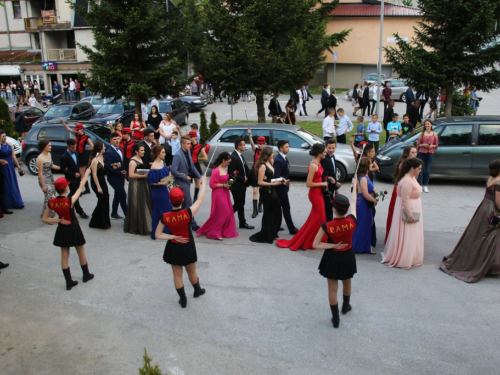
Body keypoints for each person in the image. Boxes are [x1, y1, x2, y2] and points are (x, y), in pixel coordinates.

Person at [440, 159, 500, 282]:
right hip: (493, 210)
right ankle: (483, 264)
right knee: (488, 237)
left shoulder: (490, 179)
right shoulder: (499, 181)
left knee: (478, 234)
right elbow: (498, 202)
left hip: (484, 207)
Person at [155, 181, 208, 308]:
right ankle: (197, 290)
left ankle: (183, 300)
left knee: (177, 275)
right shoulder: (188, 213)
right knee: (192, 272)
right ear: (183, 199)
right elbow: (201, 197)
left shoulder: (165, 217)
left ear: (170, 200)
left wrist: (173, 236)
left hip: (174, 247)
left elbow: (158, 235)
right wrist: (203, 182)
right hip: (188, 245)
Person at [313, 181, 358, 329]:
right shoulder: (352, 220)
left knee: (332, 289)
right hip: (348, 255)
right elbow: (354, 203)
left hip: (333, 256)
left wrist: (333, 245)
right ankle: (346, 306)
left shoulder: (327, 226)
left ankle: (336, 318)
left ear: (334, 209)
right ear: (345, 210)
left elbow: (316, 244)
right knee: (347, 281)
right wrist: (354, 185)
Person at [41, 167, 95, 290]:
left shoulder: (52, 202)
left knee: (64, 255)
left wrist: (59, 220)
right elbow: (81, 187)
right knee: (80, 251)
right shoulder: (69, 200)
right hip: (73, 227)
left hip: (62, 228)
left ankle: (68, 281)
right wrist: (86, 173)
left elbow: (45, 218)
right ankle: (86, 274)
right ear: (66, 188)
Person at [277, 143, 327, 251]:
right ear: (319, 153)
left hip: (319, 193)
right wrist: (322, 184)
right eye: (324, 151)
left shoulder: (319, 163)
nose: (325, 153)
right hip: (315, 194)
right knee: (320, 217)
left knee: (316, 217)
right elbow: (308, 184)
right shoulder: (313, 165)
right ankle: (310, 240)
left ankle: (315, 239)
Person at [382, 158, 424, 269]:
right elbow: (405, 200)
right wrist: (410, 215)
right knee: (407, 234)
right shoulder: (407, 182)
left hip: (413, 208)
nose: (420, 170)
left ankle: (410, 256)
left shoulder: (412, 178)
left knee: (411, 234)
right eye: (419, 169)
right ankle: (403, 257)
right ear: (412, 169)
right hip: (408, 210)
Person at [197, 152, 238, 240]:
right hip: (218, 193)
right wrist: (223, 185)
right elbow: (212, 184)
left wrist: (229, 182)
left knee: (225, 212)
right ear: (223, 160)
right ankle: (214, 232)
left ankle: (219, 230)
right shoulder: (216, 170)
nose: (228, 164)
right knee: (225, 212)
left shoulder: (223, 168)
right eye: (228, 162)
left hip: (225, 192)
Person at [249, 147, 283, 243]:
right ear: (267, 154)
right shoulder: (262, 166)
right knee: (269, 213)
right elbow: (260, 182)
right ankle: (267, 233)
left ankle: (273, 231)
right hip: (266, 192)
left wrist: (280, 179)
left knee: (276, 211)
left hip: (272, 190)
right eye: (272, 153)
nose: (273, 154)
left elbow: (270, 177)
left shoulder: (270, 162)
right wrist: (273, 184)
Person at [385, 145, 418, 243]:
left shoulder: (412, 163)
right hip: (402, 189)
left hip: (406, 189)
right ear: (407, 153)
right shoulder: (405, 164)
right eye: (412, 152)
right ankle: (396, 238)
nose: (415, 154)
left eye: (416, 152)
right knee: (399, 211)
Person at [171, 135, 202, 231]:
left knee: (184, 205)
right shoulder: (178, 155)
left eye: (190, 144)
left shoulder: (188, 152)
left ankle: (182, 223)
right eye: (188, 144)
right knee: (188, 204)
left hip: (187, 182)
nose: (190, 145)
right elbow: (173, 170)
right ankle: (193, 224)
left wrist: (200, 177)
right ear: (182, 144)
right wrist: (184, 177)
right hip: (181, 182)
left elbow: (192, 166)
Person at [124, 144, 153, 235]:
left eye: (144, 150)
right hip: (136, 184)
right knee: (137, 203)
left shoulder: (141, 159)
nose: (143, 152)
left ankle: (146, 223)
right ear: (136, 151)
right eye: (141, 150)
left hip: (142, 182)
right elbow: (130, 175)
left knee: (143, 202)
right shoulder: (132, 161)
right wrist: (142, 176)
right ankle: (136, 226)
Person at [352, 158, 377, 254]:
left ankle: (365, 246)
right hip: (363, 204)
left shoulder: (366, 176)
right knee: (361, 225)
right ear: (366, 166)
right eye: (370, 164)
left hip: (366, 204)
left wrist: (375, 191)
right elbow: (365, 194)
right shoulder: (362, 178)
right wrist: (374, 200)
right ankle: (356, 246)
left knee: (367, 225)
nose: (372, 165)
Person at [61, 120, 94, 195]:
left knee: (82, 173)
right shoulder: (76, 134)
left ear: (82, 129)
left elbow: (92, 147)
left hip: (82, 155)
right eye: (76, 130)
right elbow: (68, 129)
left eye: (78, 130)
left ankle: (81, 189)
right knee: (79, 172)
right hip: (76, 154)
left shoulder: (86, 137)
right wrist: (63, 122)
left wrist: (85, 149)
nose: (77, 131)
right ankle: (86, 188)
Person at [59, 139, 89, 219]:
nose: (74, 149)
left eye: (75, 147)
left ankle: (63, 202)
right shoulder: (64, 157)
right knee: (75, 194)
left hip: (77, 177)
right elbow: (63, 170)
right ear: (68, 147)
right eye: (72, 148)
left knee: (74, 194)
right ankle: (80, 212)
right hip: (70, 178)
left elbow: (77, 165)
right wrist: (73, 174)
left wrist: (80, 174)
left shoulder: (76, 153)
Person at [147, 145, 173, 240]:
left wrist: (170, 178)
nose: (165, 154)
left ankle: (164, 231)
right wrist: (163, 182)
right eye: (163, 152)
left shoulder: (162, 162)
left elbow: (167, 176)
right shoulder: (154, 166)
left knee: (165, 211)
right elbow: (151, 181)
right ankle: (159, 232)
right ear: (158, 154)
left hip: (165, 190)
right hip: (158, 192)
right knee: (161, 212)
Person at [229, 138, 254, 230]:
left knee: (240, 204)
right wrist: (241, 178)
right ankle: (224, 217)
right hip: (237, 186)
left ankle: (242, 222)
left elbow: (243, 169)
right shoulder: (233, 157)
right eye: (243, 144)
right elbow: (231, 172)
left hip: (242, 185)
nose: (245, 146)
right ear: (239, 146)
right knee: (239, 204)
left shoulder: (239, 155)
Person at [274, 140, 299, 234]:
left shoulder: (283, 157)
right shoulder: (278, 160)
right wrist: (284, 180)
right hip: (280, 189)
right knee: (286, 207)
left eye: (288, 146)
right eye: (287, 147)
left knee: (279, 208)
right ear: (281, 148)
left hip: (283, 188)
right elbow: (276, 176)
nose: (289, 148)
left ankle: (276, 225)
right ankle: (291, 228)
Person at [104, 132, 127, 219]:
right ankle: (127, 216)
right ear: (111, 141)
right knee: (123, 195)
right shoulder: (109, 152)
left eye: (118, 139)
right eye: (114, 139)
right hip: (114, 178)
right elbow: (108, 167)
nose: (117, 141)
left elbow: (121, 162)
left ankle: (114, 212)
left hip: (121, 176)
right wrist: (119, 172)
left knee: (117, 195)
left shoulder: (119, 148)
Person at [88, 142, 111, 229]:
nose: (105, 147)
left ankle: (100, 220)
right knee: (102, 199)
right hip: (96, 182)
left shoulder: (102, 157)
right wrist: (98, 187)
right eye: (103, 146)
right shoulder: (95, 160)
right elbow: (94, 175)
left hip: (102, 181)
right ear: (100, 148)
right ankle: (99, 221)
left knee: (105, 199)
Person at [37, 140, 60, 219]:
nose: (51, 147)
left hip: (50, 177)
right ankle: (48, 216)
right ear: (44, 147)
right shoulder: (40, 158)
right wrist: (43, 185)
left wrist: (61, 168)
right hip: (44, 179)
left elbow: (51, 165)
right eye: (49, 146)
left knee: (51, 196)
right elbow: (40, 173)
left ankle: (45, 214)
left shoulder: (49, 154)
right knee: (50, 197)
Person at [321, 139, 342, 221]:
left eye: (333, 148)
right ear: (326, 147)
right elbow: (325, 176)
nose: (331, 150)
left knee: (330, 207)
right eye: (329, 148)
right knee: (328, 208)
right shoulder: (324, 158)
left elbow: (333, 173)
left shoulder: (333, 156)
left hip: (332, 187)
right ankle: (328, 224)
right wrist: (335, 184)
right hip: (327, 188)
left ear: (335, 147)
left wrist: (336, 189)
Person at [416, 119, 439, 193]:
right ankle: (419, 185)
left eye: (428, 124)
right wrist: (424, 145)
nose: (427, 126)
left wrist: (431, 146)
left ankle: (425, 185)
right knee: (420, 169)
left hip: (430, 153)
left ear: (431, 125)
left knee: (427, 170)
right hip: (422, 153)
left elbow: (436, 145)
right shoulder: (422, 134)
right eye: (426, 124)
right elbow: (418, 144)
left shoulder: (434, 134)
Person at [247, 130, 265, 218]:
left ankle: (260, 204)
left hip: (263, 173)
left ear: (264, 144)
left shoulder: (267, 152)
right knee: (255, 191)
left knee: (262, 190)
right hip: (255, 172)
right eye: (258, 143)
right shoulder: (256, 150)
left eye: (261, 144)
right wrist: (250, 135)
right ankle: (255, 210)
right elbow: (251, 144)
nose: (259, 145)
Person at [189, 130, 207, 203]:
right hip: (189, 165)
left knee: (197, 181)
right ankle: (187, 197)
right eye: (190, 137)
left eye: (192, 137)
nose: (191, 139)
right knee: (188, 181)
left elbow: (205, 158)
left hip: (196, 164)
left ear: (195, 137)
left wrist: (197, 158)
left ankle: (195, 197)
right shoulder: (188, 145)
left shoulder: (200, 146)